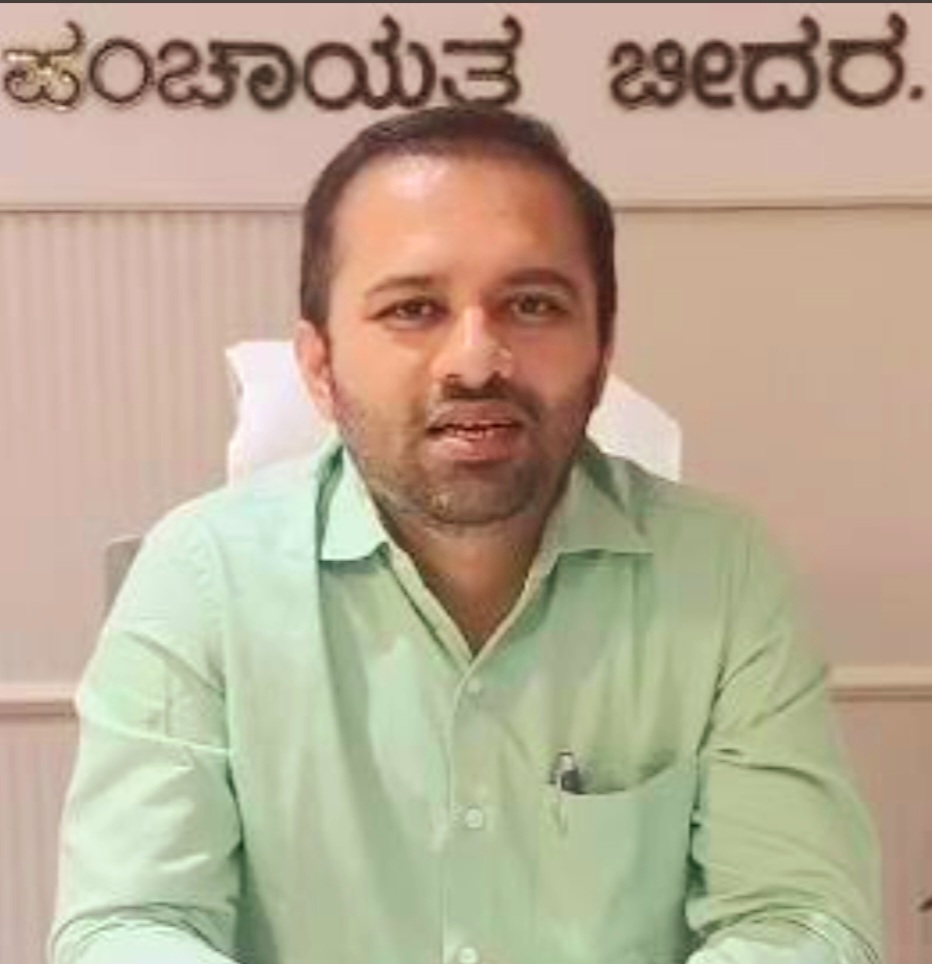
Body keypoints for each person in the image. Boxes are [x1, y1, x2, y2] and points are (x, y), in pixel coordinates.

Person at [51, 106, 882, 964]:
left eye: (532, 304)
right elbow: (128, 924)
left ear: (601, 353)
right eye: (413, 308)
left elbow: (797, 918)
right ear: (319, 367)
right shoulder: (201, 577)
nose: (477, 360)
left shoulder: (722, 575)